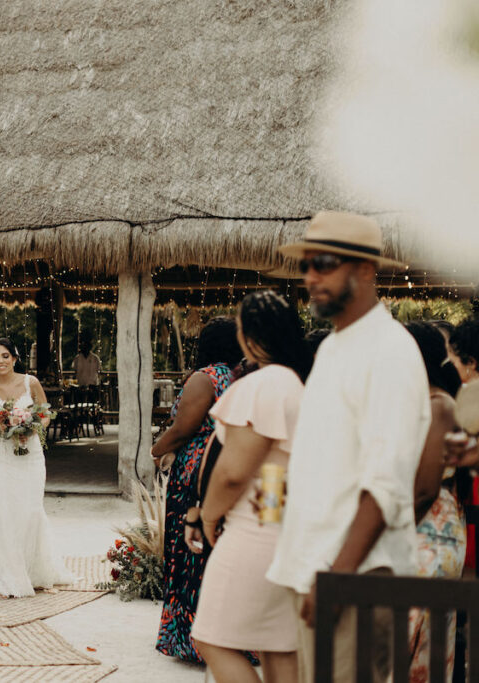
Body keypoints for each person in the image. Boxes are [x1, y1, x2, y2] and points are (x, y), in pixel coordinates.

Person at [267, 211, 430, 683]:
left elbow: (385, 482)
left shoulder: (389, 351)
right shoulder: (336, 347)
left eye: (323, 263)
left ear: (364, 270)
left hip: (356, 577)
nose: (310, 277)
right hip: (319, 571)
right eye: (306, 264)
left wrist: (338, 576)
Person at [185, 291, 311, 683]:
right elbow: (274, 473)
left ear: (250, 336)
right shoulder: (293, 383)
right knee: (277, 646)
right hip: (278, 523)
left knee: (211, 639)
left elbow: (234, 472)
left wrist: (207, 516)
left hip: (253, 531)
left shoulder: (264, 384)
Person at [151, 316, 243, 663]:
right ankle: (232, 636)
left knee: (188, 552)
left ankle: (190, 637)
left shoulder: (204, 378)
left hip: (197, 472)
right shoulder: (242, 377)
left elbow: (183, 428)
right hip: (230, 466)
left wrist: (156, 449)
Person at [0, 338, 72, 598]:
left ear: (15, 358)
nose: (1, 361)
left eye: (5, 356)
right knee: (1, 511)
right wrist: (1, 426)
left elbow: (47, 413)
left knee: (29, 510)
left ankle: (33, 571)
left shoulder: (31, 382)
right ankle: (3, 577)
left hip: (29, 453)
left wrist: (32, 425)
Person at [404, 321, 466, 683]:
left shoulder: (438, 404)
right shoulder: (424, 403)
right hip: (427, 530)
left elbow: (424, 489)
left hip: (428, 532)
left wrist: (387, 532)